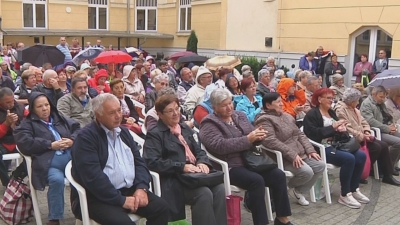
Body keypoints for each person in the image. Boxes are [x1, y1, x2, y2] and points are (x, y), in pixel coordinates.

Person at [69, 93, 169, 225]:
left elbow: (139, 163)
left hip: (129, 190)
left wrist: (141, 188)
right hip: (96, 197)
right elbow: (93, 178)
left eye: (119, 110)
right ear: (98, 115)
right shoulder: (86, 139)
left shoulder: (124, 132)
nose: (118, 116)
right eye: (111, 113)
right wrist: (120, 200)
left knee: (161, 208)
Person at [200, 89, 293, 225]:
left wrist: (258, 136)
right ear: (214, 107)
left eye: (230, 103)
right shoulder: (208, 123)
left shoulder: (240, 115)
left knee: (278, 175)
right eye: (224, 105)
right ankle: (261, 222)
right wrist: (248, 139)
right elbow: (219, 146)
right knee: (256, 181)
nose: (229, 107)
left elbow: (251, 135)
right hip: (230, 166)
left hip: (252, 161)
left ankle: (282, 219)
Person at [143, 94, 226, 225]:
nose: (176, 113)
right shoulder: (155, 133)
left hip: (195, 176)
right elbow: (152, 162)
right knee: (203, 194)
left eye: (177, 108)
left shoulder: (184, 128)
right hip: (174, 179)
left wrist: (202, 161)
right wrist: (181, 166)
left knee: (220, 189)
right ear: (160, 114)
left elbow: (199, 150)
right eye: (170, 111)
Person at [14, 92, 80, 225]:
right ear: (32, 109)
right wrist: (50, 145)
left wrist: (72, 140)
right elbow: (25, 143)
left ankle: (81, 210)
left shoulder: (59, 117)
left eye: (46, 105)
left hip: (72, 160)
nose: (45, 109)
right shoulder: (27, 124)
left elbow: (78, 128)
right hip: (50, 163)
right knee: (56, 180)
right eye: (40, 106)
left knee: (86, 174)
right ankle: (54, 218)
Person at [303, 88, 369, 209]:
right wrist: (333, 128)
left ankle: (354, 189)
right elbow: (312, 134)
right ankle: (345, 194)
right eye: (328, 98)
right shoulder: (312, 114)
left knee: (361, 156)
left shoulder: (331, 112)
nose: (331, 100)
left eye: (332, 98)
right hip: (321, 147)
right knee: (348, 159)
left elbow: (337, 131)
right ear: (319, 99)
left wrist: (341, 130)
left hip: (336, 144)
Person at [255, 92, 325, 205]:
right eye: (278, 102)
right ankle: (283, 188)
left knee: (320, 165)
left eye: (281, 101)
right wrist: (292, 154)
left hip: (299, 153)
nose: (281, 104)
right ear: (268, 105)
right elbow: (270, 141)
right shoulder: (264, 120)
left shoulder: (287, 116)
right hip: (283, 157)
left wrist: (310, 150)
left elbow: (300, 134)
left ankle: (297, 191)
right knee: (306, 172)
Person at [334, 88, 400, 186]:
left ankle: (387, 174)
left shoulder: (354, 109)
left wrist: (367, 131)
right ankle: (363, 171)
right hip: (352, 138)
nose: (358, 102)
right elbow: (346, 127)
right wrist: (362, 135)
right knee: (377, 147)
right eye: (357, 100)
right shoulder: (341, 109)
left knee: (383, 145)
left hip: (364, 134)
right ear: (351, 101)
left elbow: (364, 122)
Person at [360, 86, 400, 172]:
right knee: (398, 142)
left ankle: (390, 164)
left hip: (385, 128)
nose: (383, 99)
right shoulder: (367, 104)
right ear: (373, 94)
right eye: (381, 97)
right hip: (376, 131)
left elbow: (387, 116)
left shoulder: (381, 103)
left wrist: (391, 125)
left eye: (384, 97)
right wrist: (387, 128)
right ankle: (388, 167)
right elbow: (370, 121)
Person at [0, 88, 26, 186]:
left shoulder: (20, 107)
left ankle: (16, 176)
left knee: (35, 153)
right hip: (2, 143)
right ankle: (7, 183)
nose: (11, 104)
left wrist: (15, 126)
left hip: (17, 141)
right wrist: (6, 124)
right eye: (7, 102)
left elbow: (28, 127)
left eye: (12, 101)